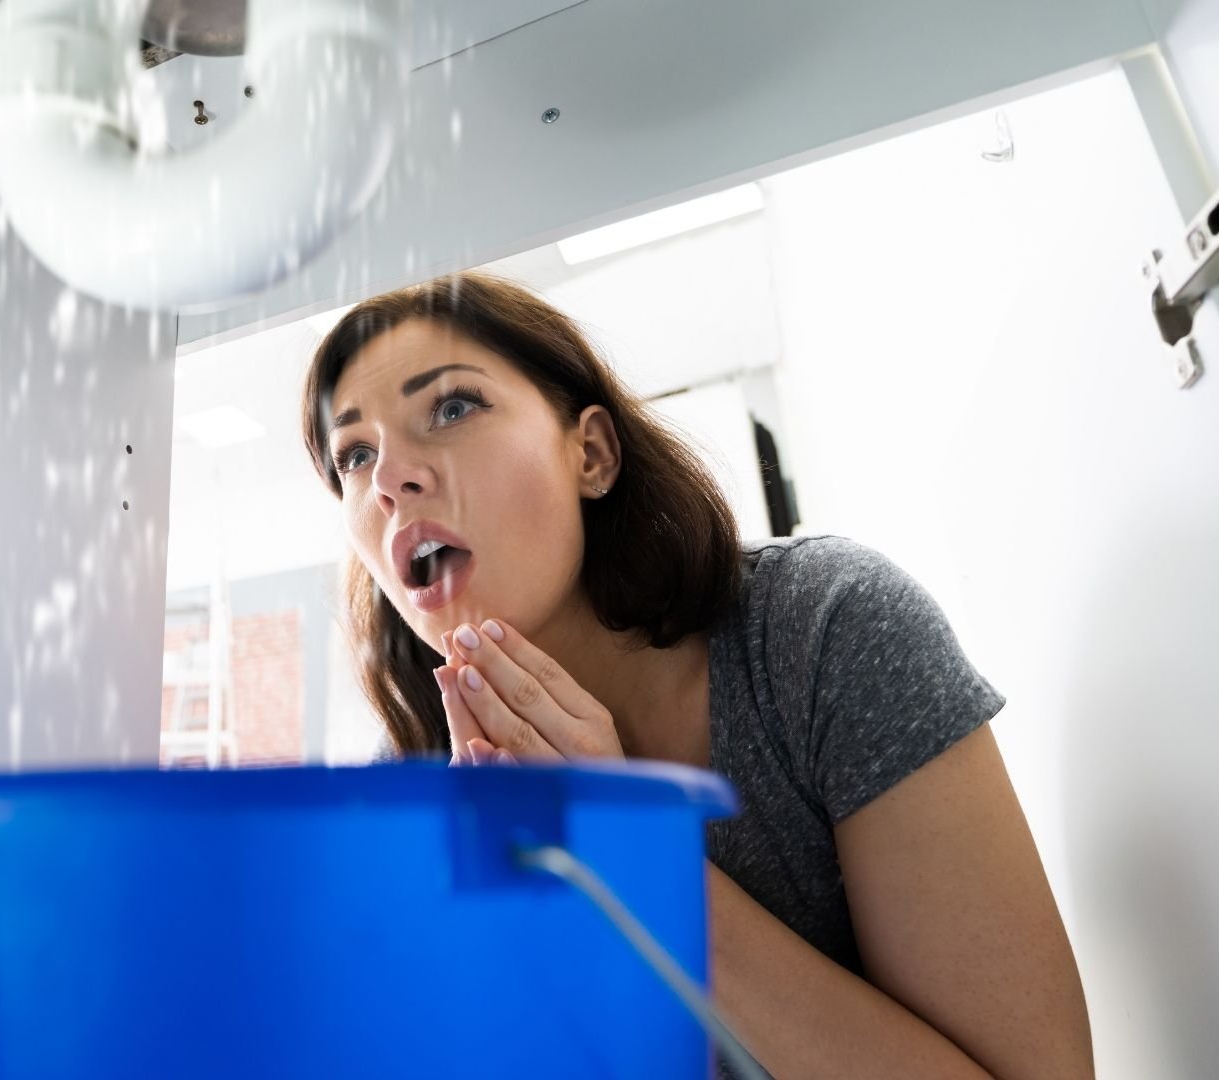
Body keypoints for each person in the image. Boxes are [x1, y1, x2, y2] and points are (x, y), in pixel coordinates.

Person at [299, 272, 1093, 1079]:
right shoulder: (402, 794)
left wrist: (636, 856)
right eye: (354, 454)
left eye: (453, 407)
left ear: (592, 453)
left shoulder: (823, 633)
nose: (389, 477)